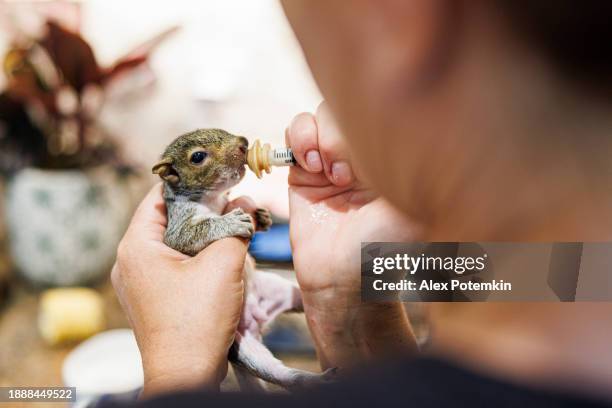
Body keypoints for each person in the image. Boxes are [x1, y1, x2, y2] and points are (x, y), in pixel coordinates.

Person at [108, 1, 612, 406]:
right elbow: (551, 284)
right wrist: (347, 300)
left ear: (401, 15)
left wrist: (176, 371)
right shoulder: (581, 274)